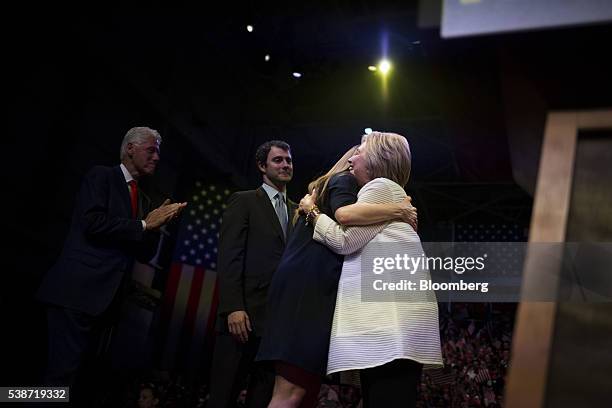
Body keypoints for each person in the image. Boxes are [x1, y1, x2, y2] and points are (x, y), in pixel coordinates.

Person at [257, 146, 418, 408]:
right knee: (292, 392)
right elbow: (345, 233)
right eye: (356, 153)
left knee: (304, 392)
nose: (355, 158)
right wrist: (397, 211)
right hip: (309, 290)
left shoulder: (327, 187)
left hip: (309, 287)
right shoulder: (344, 181)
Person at [36, 127, 187, 401]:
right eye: (151, 150)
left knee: (84, 382)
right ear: (130, 148)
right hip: (76, 295)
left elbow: (142, 253)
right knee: (59, 378)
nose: (156, 158)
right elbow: (92, 223)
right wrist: (143, 224)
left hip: (108, 304)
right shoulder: (102, 176)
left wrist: (155, 227)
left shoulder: (142, 198)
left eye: (158, 153)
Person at [301, 132, 443, 408]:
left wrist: (312, 212)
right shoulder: (393, 194)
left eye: (361, 151)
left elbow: (343, 240)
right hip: (396, 325)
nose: (352, 158)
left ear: (380, 158)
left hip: (389, 327)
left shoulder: (378, 187)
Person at [208, 140, 296, 408]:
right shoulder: (244, 201)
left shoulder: (298, 212)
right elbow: (229, 257)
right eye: (278, 160)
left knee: (262, 398)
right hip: (242, 318)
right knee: (223, 395)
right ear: (262, 166)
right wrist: (233, 307)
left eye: (288, 160)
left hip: (276, 324)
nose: (285, 165)